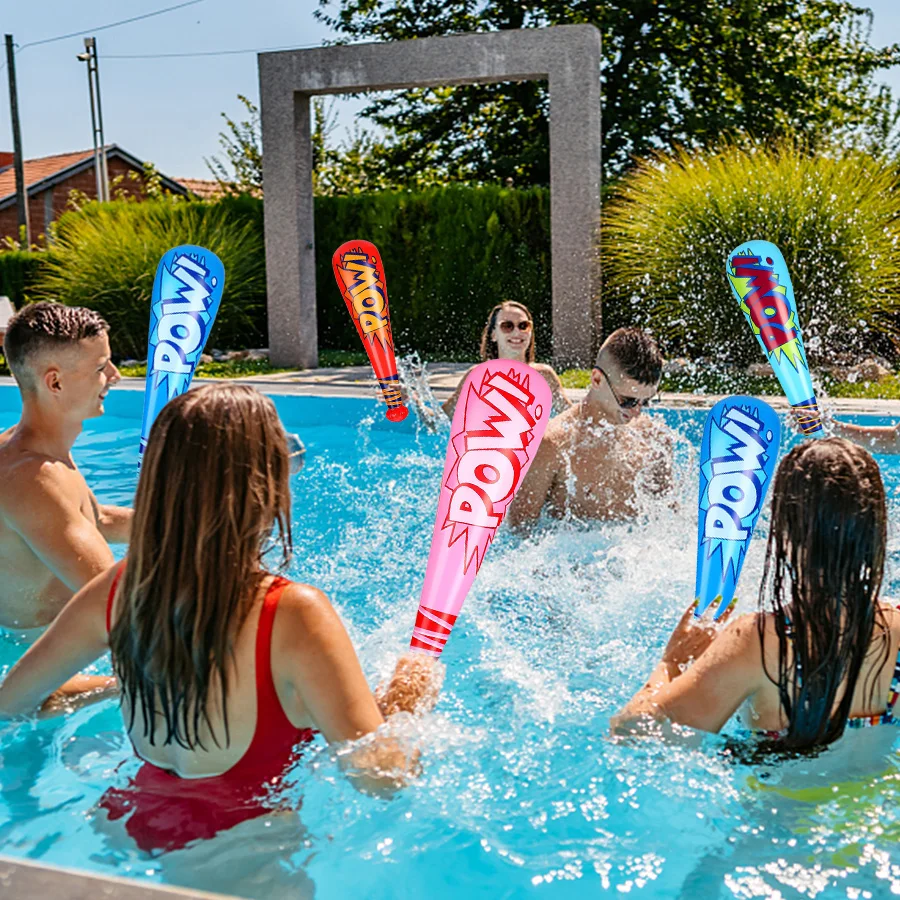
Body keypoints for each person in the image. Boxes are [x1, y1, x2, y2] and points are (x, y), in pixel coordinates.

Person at [0, 383, 443, 851]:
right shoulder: (293, 613)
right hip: (240, 853)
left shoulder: (120, 590)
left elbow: (11, 705)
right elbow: (380, 778)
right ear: (265, 486)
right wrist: (408, 698)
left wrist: (134, 681)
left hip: (122, 825)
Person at [611, 438, 900, 750]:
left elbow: (633, 733)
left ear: (784, 532)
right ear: (875, 530)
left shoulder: (758, 642)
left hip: (779, 799)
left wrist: (672, 661)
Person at [0, 302, 131, 630]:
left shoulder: (33, 452)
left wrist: (193, 521)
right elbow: (118, 605)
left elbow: (94, 520)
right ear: (55, 383)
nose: (115, 376)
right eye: (101, 368)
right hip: (38, 667)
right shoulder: (34, 480)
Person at [508, 327, 672, 526]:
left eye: (646, 401)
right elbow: (520, 534)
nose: (637, 411)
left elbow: (669, 518)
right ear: (597, 379)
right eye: (628, 400)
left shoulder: (654, 437)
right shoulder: (551, 444)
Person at [442, 301, 570, 419]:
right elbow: (442, 420)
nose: (516, 332)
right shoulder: (478, 377)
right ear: (493, 335)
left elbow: (572, 419)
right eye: (507, 326)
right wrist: (420, 403)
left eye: (523, 326)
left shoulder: (543, 376)